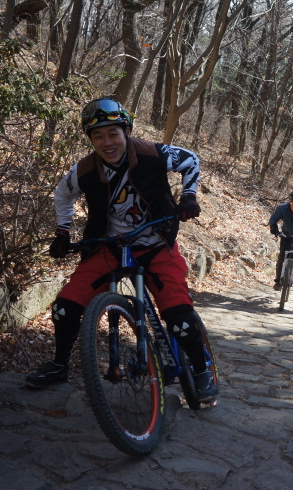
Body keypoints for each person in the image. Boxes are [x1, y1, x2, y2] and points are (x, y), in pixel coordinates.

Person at [25, 97, 217, 403]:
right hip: (109, 246)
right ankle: (59, 365)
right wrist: (62, 232)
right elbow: (62, 195)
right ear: (90, 140)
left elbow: (190, 160)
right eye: (98, 136)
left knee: (178, 315)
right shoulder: (85, 170)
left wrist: (189, 196)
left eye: (113, 133)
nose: (107, 142)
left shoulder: (152, 153)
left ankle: (200, 369)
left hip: (156, 243)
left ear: (126, 131)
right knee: (64, 307)